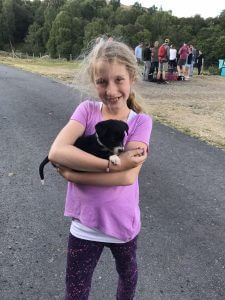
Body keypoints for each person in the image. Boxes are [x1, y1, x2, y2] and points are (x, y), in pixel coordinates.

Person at [48, 37, 152, 300]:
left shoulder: (141, 122)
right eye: (102, 81)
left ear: (132, 78)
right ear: (94, 82)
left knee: (127, 281)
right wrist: (110, 164)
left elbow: (128, 176)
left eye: (119, 79)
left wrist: (74, 174)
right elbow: (57, 152)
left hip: (123, 226)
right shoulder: (86, 110)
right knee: (75, 293)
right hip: (84, 224)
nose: (111, 89)